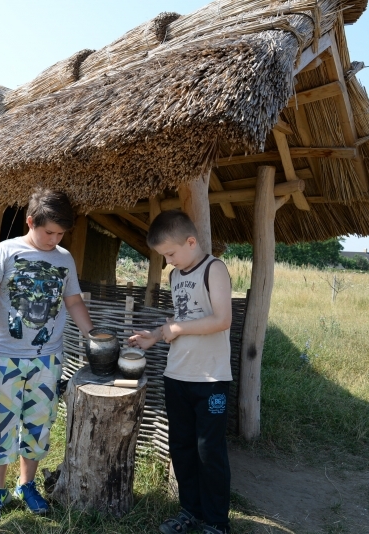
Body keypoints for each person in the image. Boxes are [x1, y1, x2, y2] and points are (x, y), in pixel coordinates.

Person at [0, 188, 94, 523]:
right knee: (1, 423)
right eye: (49, 232)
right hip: (5, 356)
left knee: (39, 424)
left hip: (47, 360)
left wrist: (93, 336)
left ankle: (26, 485)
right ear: (31, 222)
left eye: (60, 233)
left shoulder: (64, 258)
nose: (54, 239)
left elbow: (73, 301)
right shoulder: (5, 251)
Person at [129, 210, 233, 534]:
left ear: (191, 241)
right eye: (164, 256)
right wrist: (157, 335)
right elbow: (181, 321)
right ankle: (190, 511)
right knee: (182, 447)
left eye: (171, 254)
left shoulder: (214, 269)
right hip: (177, 376)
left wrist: (175, 326)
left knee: (209, 451)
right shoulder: (176, 277)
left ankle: (216, 523)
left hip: (211, 380)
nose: (169, 261)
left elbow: (221, 320)